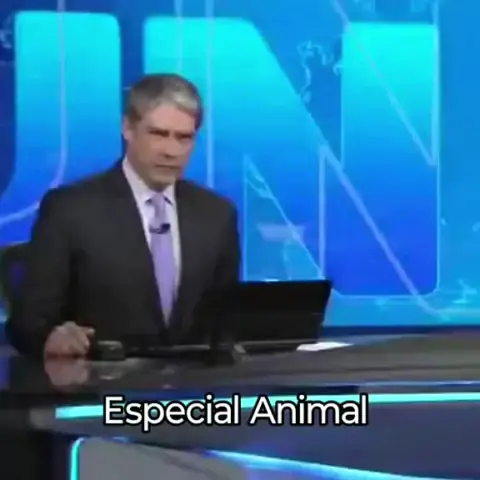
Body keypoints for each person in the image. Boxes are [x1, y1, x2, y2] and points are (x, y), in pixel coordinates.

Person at [6, 73, 240, 357]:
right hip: (100, 380)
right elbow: (27, 325)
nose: (171, 151)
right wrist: (53, 337)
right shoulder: (71, 210)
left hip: (193, 382)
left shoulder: (217, 215)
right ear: (128, 128)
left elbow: (228, 323)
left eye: (184, 138)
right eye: (158, 134)